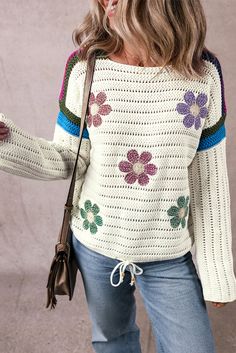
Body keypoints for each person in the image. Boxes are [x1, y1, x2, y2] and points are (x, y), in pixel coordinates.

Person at [0, 0, 235, 352]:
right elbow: (68, 158)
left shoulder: (202, 74)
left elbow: (209, 180)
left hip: (168, 251)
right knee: (113, 343)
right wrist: (6, 140)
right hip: (96, 246)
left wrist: (217, 274)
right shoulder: (85, 67)